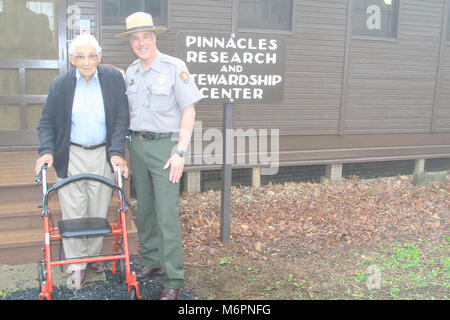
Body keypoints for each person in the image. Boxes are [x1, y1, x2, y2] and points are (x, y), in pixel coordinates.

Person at [115, 12, 203, 300]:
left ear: (155, 38)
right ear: (131, 42)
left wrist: (181, 151)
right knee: (146, 211)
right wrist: (125, 151)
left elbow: (189, 110)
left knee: (167, 215)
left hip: (166, 149)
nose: (141, 42)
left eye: (146, 36)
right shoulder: (130, 73)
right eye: (135, 38)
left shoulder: (175, 67)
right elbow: (129, 114)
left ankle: (174, 278)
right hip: (138, 147)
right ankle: (152, 263)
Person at [35, 34, 130, 289]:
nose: (86, 62)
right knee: (74, 210)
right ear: (71, 59)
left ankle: (93, 256)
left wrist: (117, 151)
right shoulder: (60, 85)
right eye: (80, 56)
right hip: (72, 153)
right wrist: (46, 151)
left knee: (98, 208)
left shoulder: (112, 79)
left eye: (91, 55)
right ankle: (76, 265)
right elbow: (46, 123)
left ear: (99, 56)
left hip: (103, 153)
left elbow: (121, 118)